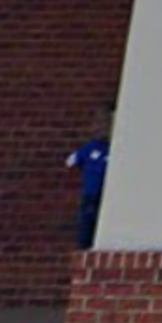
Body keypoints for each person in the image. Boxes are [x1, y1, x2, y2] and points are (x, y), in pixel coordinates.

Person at [65, 107, 113, 249]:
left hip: (105, 197)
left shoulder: (112, 149)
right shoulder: (87, 149)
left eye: (106, 124)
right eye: (98, 123)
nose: (101, 128)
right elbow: (70, 162)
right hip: (89, 196)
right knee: (86, 223)